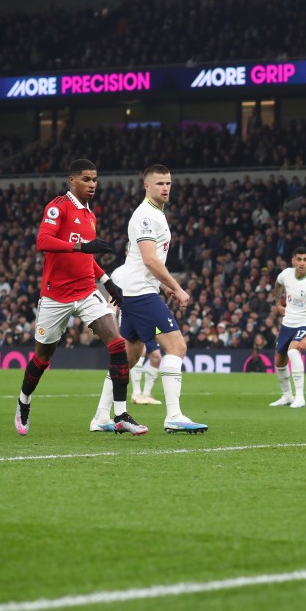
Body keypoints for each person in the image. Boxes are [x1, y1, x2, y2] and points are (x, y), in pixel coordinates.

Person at [14, 159, 146, 436]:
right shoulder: (58, 206)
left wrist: (108, 282)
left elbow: (87, 258)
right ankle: (24, 400)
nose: (92, 185)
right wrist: (82, 246)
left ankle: (120, 415)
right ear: (72, 180)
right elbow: (43, 241)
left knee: (117, 344)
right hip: (56, 295)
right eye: (86, 179)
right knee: (42, 359)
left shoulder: (90, 216)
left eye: (95, 179)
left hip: (86, 291)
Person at [90, 164, 207, 434]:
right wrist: (176, 287)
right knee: (176, 347)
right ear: (147, 186)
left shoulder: (156, 214)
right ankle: (174, 416)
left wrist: (162, 286)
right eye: (159, 184)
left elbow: (149, 263)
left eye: (168, 183)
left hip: (136, 289)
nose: (165, 187)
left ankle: (100, 417)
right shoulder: (145, 215)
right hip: (139, 292)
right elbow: (150, 259)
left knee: (129, 359)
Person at [268, 246, 306, 408]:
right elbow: (278, 284)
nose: (302, 263)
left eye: (305, 259)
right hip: (288, 322)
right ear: (293, 261)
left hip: (305, 322)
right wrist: (277, 302)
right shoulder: (286, 274)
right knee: (279, 361)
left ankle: (300, 397)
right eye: (298, 259)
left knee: (293, 351)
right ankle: (287, 396)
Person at [129, 340, 162, 405]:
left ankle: (146, 394)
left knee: (156, 357)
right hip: (140, 330)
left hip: (153, 330)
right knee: (140, 352)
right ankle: (136, 394)